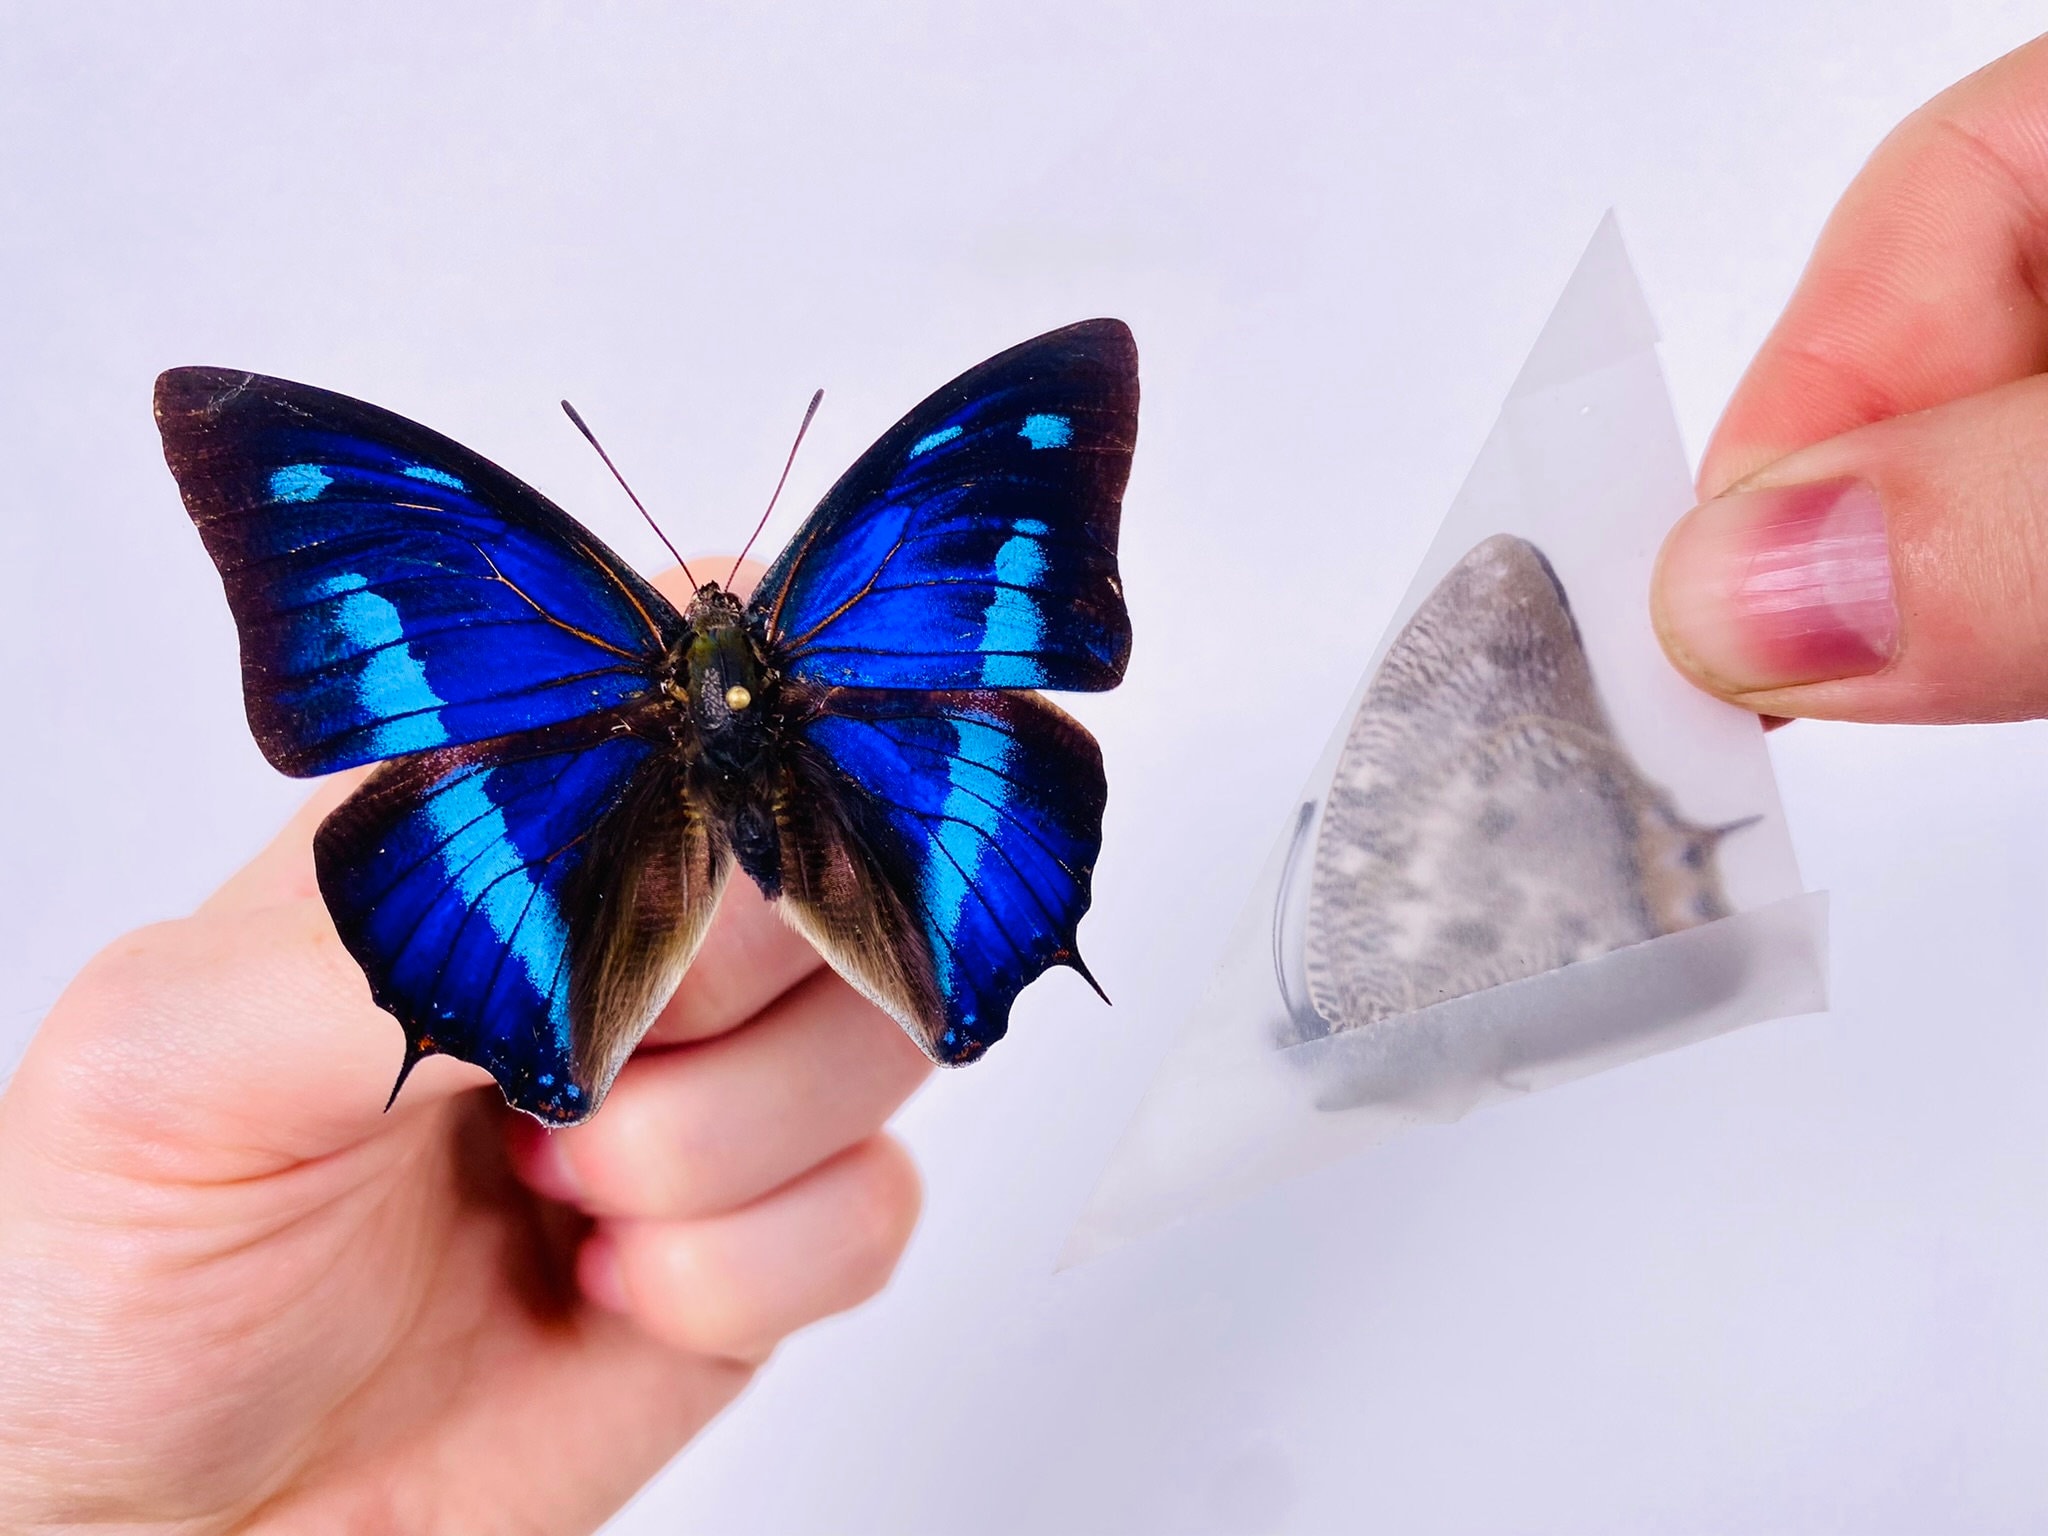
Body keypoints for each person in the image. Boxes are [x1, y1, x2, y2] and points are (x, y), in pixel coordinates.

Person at [4, 32, 2046, 1534]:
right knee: (725, 943)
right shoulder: (804, 627)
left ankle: (651, 978)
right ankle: (644, 983)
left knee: (722, 952)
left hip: (580, 864)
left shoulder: (687, 624)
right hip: (629, 920)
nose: (718, 653)